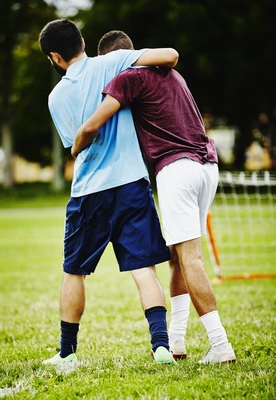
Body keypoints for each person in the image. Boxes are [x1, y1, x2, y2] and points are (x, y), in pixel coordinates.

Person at [71, 30, 236, 365]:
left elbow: (92, 127)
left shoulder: (126, 78)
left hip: (177, 170)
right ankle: (175, 340)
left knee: (190, 259)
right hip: (206, 166)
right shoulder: (171, 74)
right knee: (178, 256)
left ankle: (220, 345)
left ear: (109, 59)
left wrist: (76, 146)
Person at [38, 19, 180, 368]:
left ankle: (67, 354)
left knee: (74, 272)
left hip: (89, 192)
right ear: (83, 41)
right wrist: (132, 57)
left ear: (55, 57)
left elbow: (76, 146)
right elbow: (171, 55)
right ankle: (160, 345)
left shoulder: (56, 97)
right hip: (132, 183)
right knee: (144, 268)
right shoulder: (113, 61)